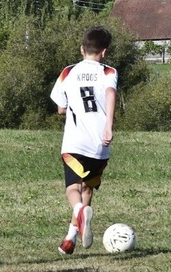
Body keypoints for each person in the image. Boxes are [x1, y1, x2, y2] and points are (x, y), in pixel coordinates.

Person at [50, 26, 118, 255]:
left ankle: (79, 210)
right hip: (100, 143)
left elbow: (60, 108)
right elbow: (110, 94)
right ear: (104, 52)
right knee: (88, 187)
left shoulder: (68, 72)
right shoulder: (108, 71)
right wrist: (108, 125)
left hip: (75, 141)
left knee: (73, 188)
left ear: (82, 49)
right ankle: (70, 239)